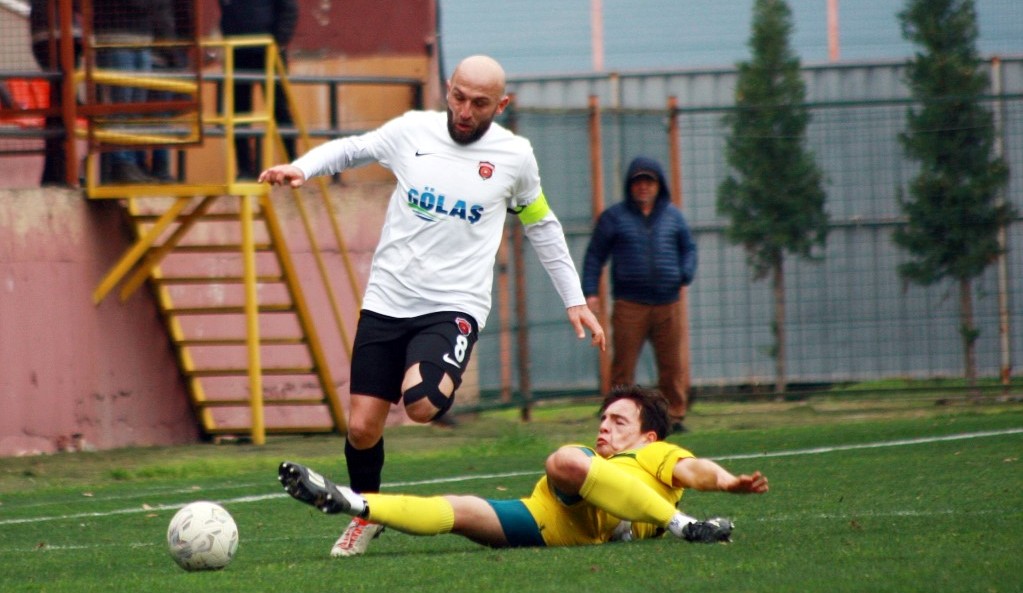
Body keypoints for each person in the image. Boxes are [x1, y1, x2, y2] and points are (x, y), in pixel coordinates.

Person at [260, 54, 606, 558]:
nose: (465, 111)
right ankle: (366, 513)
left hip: (453, 305)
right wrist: (301, 167)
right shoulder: (412, 131)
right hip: (387, 298)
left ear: (501, 105)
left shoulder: (514, 156)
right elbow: (353, 149)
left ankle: (435, 373)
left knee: (421, 405)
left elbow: (542, 224)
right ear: (448, 89)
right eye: (459, 97)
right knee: (361, 428)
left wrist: (574, 299)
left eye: (480, 103)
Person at [278, 385, 768, 550]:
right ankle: (355, 503)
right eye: (603, 418)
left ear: (648, 435)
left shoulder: (652, 455)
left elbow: (696, 470)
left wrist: (727, 482)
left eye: (618, 420)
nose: (605, 427)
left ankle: (686, 527)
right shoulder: (598, 456)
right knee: (460, 510)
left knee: (563, 459)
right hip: (555, 514)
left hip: (585, 519)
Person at [582, 156, 698, 433]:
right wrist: (590, 292)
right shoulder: (614, 218)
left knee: (672, 365)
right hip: (628, 304)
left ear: (659, 185)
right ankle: (616, 420)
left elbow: (689, 249)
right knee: (622, 366)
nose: (643, 187)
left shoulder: (673, 216)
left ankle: (674, 417)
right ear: (629, 187)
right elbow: (595, 256)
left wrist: (685, 273)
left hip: (668, 303)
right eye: (638, 182)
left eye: (649, 181)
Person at [93, 0, 174, 183]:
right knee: (120, 106)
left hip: (143, 39)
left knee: (134, 108)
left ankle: (134, 166)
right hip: (114, 37)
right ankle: (121, 163)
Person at [219, 0, 299, 179]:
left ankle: (292, 164)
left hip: (268, 51)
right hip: (237, 51)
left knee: (279, 109)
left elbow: (289, 8)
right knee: (239, 113)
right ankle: (245, 169)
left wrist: (278, 41)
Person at [29, 0, 82, 185]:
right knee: (62, 102)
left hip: (53, 34)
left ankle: (57, 171)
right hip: (60, 35)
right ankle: (58, 171)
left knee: (60, 102)